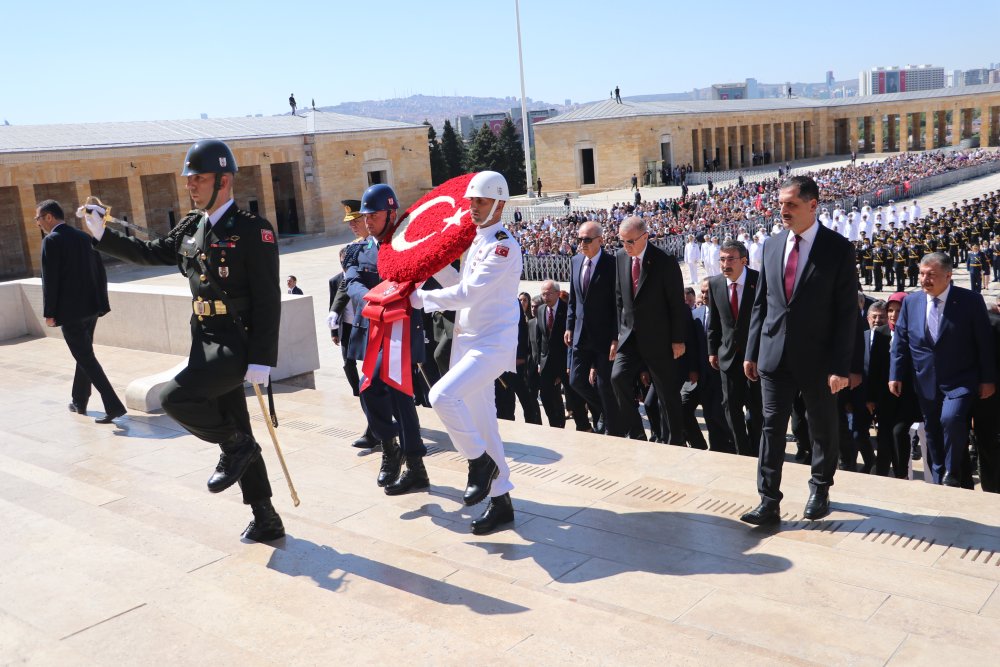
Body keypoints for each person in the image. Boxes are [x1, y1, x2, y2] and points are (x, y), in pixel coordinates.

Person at [83, 139, 284, 542]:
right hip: (204, 337)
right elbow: (149, 252)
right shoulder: (192, 227)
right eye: (189, 179)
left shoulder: (252, 231)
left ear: (224, 180)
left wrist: (262, 359)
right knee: (237, 426)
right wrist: (101, 233)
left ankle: (236, 447)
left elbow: (268, 298)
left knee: (177, 398)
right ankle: (266, 516)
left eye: (200, 178)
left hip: (235, 342)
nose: (191, 186)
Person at [409, 171, 522, 534]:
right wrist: (429, 264)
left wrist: (422, 299)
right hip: (469, 341)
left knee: (441, 395)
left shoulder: (503, 245)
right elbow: (460, 285)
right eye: (472, 202)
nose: (474, 208)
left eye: (482, 202)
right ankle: (501, 502)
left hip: (490, 343)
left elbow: (469, 294)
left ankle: (479, 463)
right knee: (485, 423)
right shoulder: (478, 241)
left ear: (500, 205)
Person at [742, 176, 857, 525]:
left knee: (821, 426)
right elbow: (762, 303)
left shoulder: (837, 248)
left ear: (812, 205)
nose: (783, 210)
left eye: (791, 204)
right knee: (771, 427)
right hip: (774, 354)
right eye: (780, 204)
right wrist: (752, 350)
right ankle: (768, 500)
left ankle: (820, 488)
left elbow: (846, 312)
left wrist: (840, 365)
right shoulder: (772, 245)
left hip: (819, 359)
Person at [345, 184, 428, 496]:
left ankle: (415, 466)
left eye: (374, 215)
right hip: (372, 330)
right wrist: (373, 297)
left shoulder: (407, 246)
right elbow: (351, 280)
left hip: (401, 331)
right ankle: (391, 448)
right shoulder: (359, 249)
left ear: (392, 213)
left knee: (400, 397)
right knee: (368, 392)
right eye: (366, 216)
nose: (368, 221)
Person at [889, 252, 996, 486]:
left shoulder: (970, 300)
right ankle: (940, 478)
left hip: (961, 378)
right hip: (925, 380)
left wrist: (988, 379)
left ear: (948, 276)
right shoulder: (911, 302)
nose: (924, 279)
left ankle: (951, 470)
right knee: (934, 431)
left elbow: (984, 343)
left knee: (951, 418)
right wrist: (895, 374)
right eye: (921, 274)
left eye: (931, 275)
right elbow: (901, 342)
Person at [36, 199, 126, 424]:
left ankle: (113, 405)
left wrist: (49, 312)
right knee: (83, 354)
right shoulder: (83, 237)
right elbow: (99, 271)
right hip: (90, 309)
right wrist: (101, 303)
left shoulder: (52, 241)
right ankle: (79, 400)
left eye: (38, 218)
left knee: (86, 357)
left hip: (71, 313)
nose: (38, 223)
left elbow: (50, 281)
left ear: (49, 217)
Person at [610, 216, 688, 443]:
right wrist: (618, 334)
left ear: (645, 237)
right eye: (622, 241)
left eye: (630, 241)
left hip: (659, 339)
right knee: (617, 378)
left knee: (667, 395)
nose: (626, 246)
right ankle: (635, 432)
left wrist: (678, 339)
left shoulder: (664, 261)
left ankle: (675, 441)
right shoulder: (620, 258)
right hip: (629, 337)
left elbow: (676, 303)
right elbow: (619, 298)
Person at [565, 221, 622, 437]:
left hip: (604, 336)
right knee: (576, 381)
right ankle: (605, 413)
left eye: (587, 240)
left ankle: (613, 429)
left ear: (600, 240)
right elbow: (573, 298)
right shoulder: (576, 261)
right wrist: (570, 325)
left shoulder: (613, 264)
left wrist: (616, 337)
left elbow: (618, 304)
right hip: (581, 333)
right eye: (579, 239)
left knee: (605, 386)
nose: (582, 244)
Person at [707, 240, 761, 456]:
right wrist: (712, 351)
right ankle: (743, 452)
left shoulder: (759, 281)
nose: (725, 264)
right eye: (722, 259)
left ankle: (759, 450)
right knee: (730, 407)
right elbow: (714, 323)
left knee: (757, 408)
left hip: (756, 357)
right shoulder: (715, 284)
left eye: (730, 259)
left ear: (744, 260)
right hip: (728, 357)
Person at [532, 280, 568, 428]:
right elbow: (540, 338)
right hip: (546, 362)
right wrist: (539, 362)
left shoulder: (567, 310)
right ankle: (554, 423)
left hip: (564, 361)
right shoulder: (541, 310)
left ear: (557, 294)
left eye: (548, 294)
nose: (545, 297)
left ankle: (562, 423)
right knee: (546, 396)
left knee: (568, 397)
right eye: (543, 294)